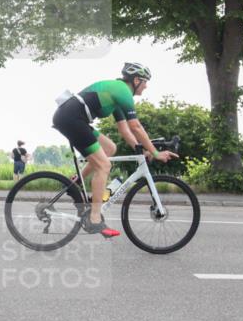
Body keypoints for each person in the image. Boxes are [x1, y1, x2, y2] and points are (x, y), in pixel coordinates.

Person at [51, 62, 179, 238]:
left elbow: (125, 129)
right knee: (104, 166)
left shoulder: (118, 95)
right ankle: (94, 220)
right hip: (71, 119)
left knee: (110, 148)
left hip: (72, 117)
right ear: (136, 80)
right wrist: (156, 153)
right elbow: (136, 126)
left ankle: (75, 182)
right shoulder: (123, 91)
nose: (146, 86)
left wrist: (141, 151)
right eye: (145, 81)